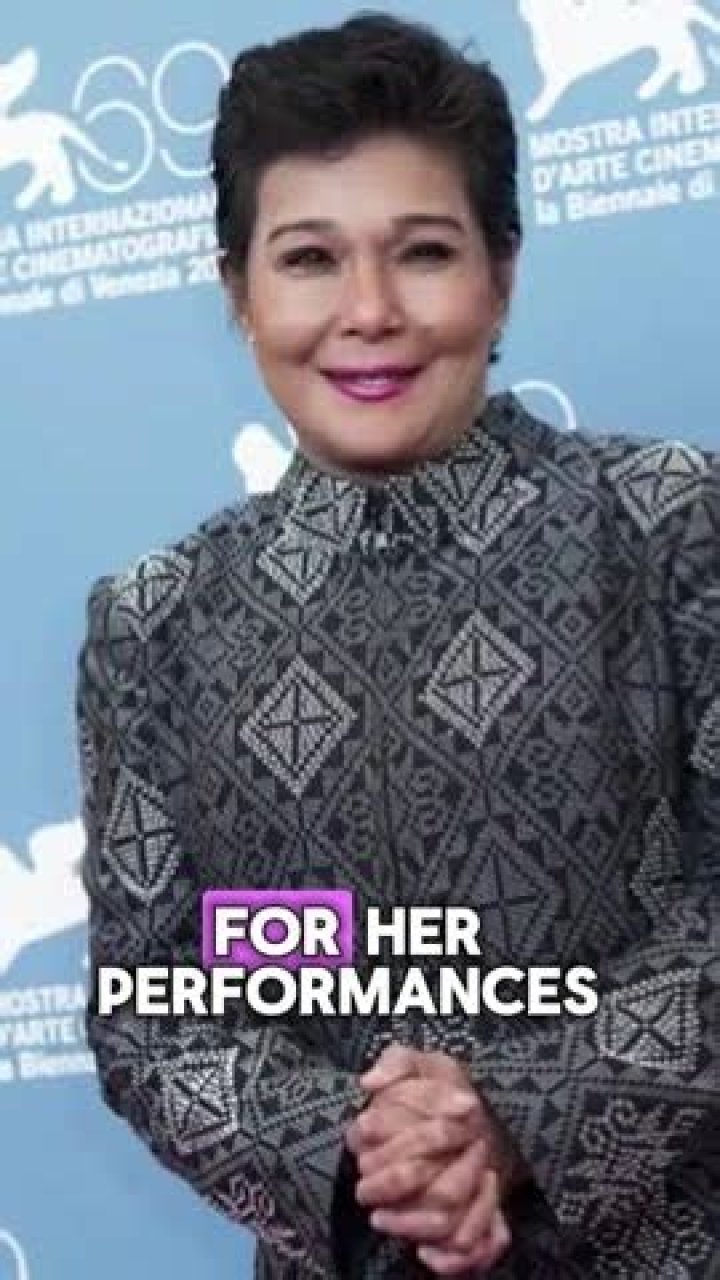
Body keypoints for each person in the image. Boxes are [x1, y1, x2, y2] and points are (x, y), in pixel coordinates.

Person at [75, 12, 719, 1279]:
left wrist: (512, 1118)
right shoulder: (156, 622)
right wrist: (364, 1147)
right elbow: (151, 1011)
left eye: (423, 251)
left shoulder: (669, 527)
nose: (368, 312)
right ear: (238, 291)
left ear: (503, 272)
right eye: (309, 258)